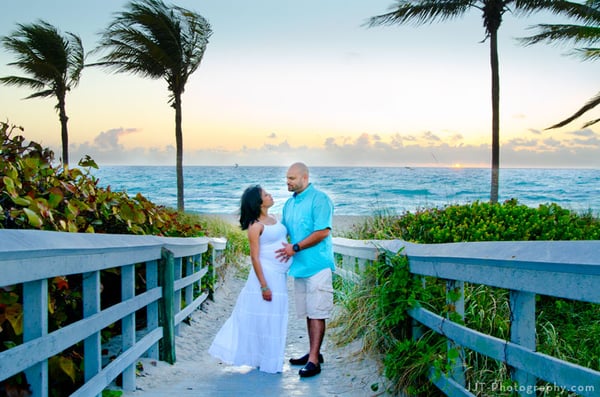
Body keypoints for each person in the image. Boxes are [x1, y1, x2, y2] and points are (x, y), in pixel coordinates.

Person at [208, 185, 291, 373]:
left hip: (279, 275)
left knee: (275, 317)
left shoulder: (274, 219)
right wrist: (264, 286)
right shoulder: (255, 226)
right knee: (264, 317)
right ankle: (262, 359)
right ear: (259, 203)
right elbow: (254, 257)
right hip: (266, 277)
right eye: (266, 195)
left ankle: (269, 359)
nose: (270, 196)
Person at [275, 162, 335, 378]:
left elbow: (323, 232)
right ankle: (313, 353)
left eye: (291, 178)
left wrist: (296, 247)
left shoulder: (320, 199)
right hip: (299, 267)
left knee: (318, 311)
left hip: (318, 265)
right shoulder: (289, 205)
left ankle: (314, 361)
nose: (287, 182)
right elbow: (283, 232)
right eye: (287, 178)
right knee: (309, 312)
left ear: (304, 177)